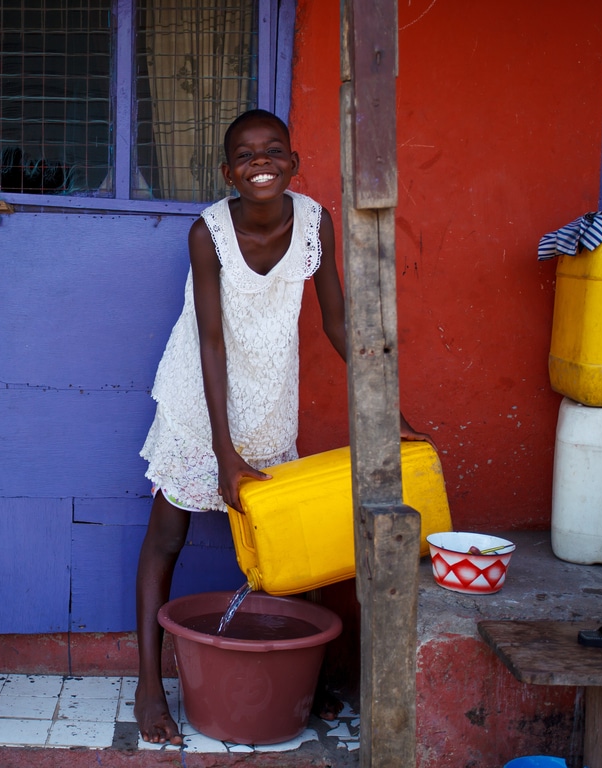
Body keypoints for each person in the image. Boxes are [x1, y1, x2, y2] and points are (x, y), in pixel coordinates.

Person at [134, 108, 431, 745]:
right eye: (245, 155)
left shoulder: (315, 222)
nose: (260, 162)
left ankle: (317, 676)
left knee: (296, 547)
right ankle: (148, 688)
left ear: (293, 164)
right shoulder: (206, 231)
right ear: (227, 172)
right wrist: (223, 450)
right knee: (165, 537)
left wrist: (388, 412)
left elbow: (339, 324)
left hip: (269, 400)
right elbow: (210, 341)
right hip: (200, 397)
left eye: (273, 152)